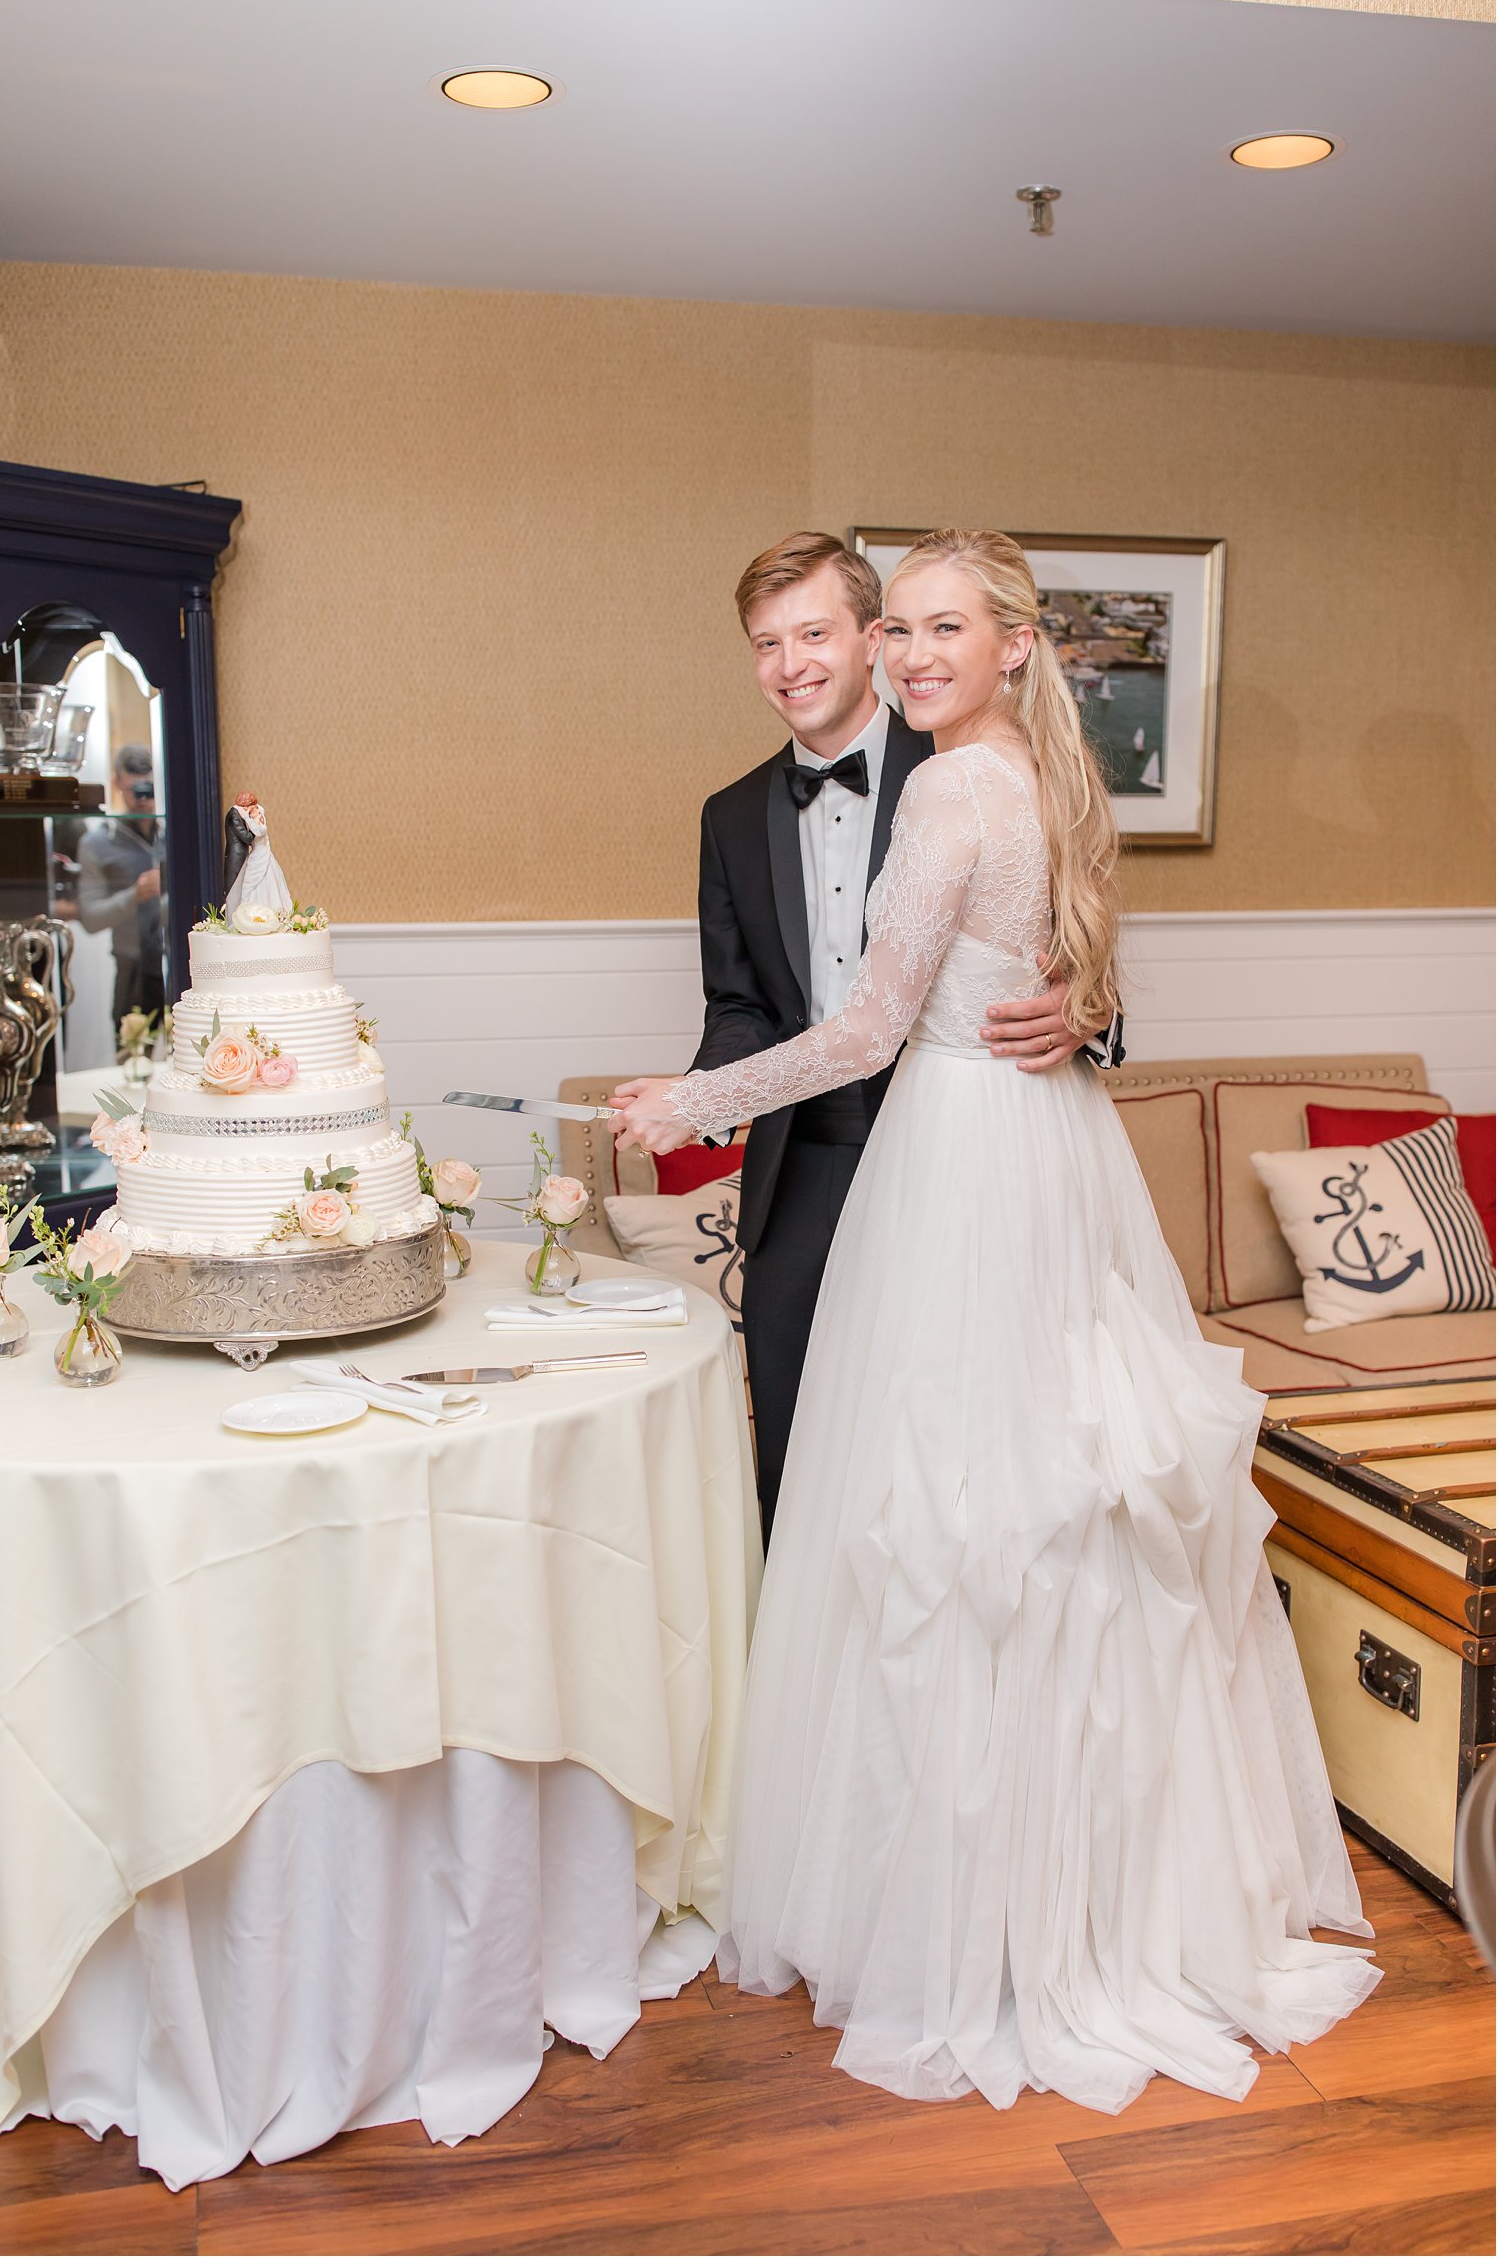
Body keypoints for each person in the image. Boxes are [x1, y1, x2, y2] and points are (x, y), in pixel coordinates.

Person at [612, 529, 1378, 2114]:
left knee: (949, 1530)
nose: (877, 657)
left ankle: (941, 1902)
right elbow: (779, 1000)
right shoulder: (1008, 774)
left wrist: (683, 1106)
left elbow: (904, 1015)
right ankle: (1022, 1869)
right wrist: (721, 1082)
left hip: (957, 1167)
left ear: (1011, 642)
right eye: (884, 630)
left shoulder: (952, 776)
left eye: (906, 629)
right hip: (922, 1174)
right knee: (928, 1525)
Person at [618, 532, 1121, 1549]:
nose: (791, 664)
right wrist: (696, 1095)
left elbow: (1061, 943)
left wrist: (1086, 1012)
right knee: (801, 1463)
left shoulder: (958, 760)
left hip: (956, 1157)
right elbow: (739, 1006)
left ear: (864, 641)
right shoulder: (727, 816)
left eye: (814, 633)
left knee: (960, 1462)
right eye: (766, 644)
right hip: (804, 1162)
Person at [77, 744, 165, 1028]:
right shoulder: (98, 843)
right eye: (135, 791)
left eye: (149, 790)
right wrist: (135, 896)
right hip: (131, 969)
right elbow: (90, 919)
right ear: (117, 783)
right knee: (131, 1058)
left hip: (180, 961)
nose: (143, 800)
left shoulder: (175, 834)